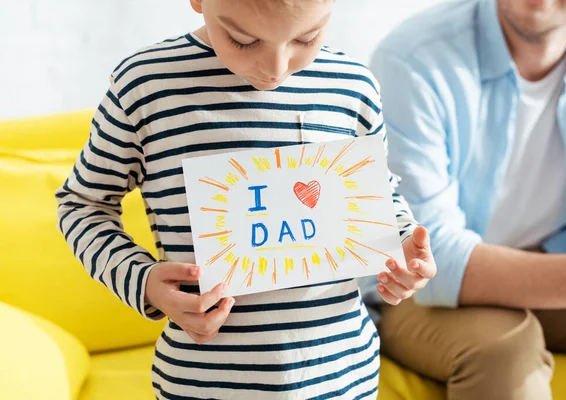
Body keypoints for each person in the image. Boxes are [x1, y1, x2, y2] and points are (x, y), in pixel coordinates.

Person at [55, 0, 437, 398]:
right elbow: (82, 204)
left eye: (306, 37)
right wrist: (144, 281)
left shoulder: (352, 84)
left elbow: (380, 193)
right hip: (204, 383)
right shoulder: (146, 85)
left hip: (343, 376)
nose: (275, 68)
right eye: (243, 40)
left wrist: (402, 246)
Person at [368, 0, 566, 398]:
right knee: (505, 354)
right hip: (414, 290)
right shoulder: (413, 59)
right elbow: (430, 252)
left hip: (557, 254)